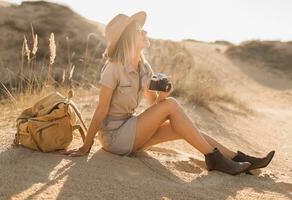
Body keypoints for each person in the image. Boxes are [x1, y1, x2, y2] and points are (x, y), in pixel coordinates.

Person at [62, 11, 275, 175]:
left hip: (132, 131)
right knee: (172, 105)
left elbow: (154, 105)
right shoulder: (114, 68)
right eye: (139, 30)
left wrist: (162, 97)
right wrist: (86, 146)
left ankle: (240, 159)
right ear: (127, 38)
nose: (146, 32)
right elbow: (100, 111)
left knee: (181, 127)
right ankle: (214, 158)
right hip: (115, 137)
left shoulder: (144, 68)